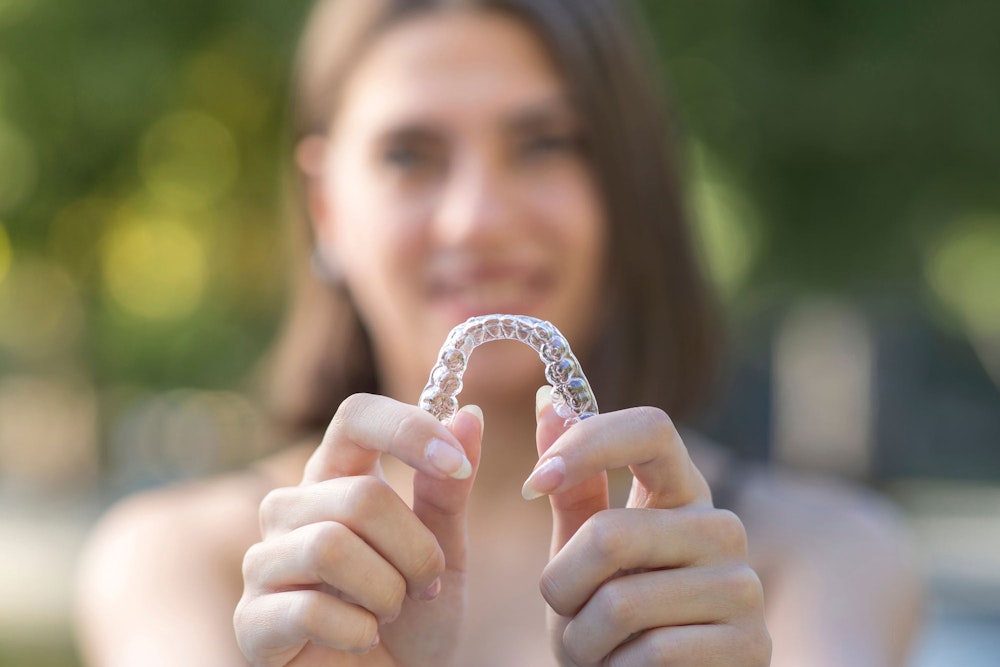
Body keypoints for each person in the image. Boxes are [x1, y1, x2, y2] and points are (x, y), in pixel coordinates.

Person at [74, 0, 924, 665]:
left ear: (626, 191)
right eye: (411, 154)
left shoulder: (826, 556)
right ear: (326, 207)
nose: (478, 219)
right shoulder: (175, 562)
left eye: (546, 144)